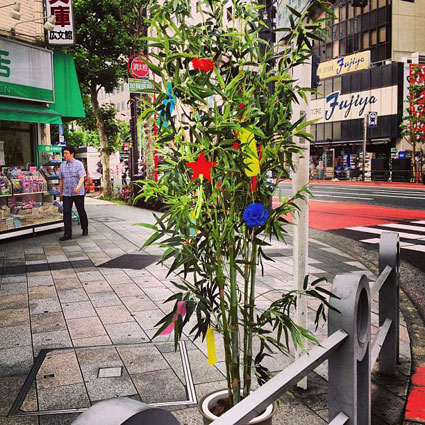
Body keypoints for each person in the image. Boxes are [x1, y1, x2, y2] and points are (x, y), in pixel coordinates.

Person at [59, 146, 88, 241]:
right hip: (67, 193)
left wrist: (78, 187)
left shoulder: (79, 164)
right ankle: (67, 234)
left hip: (78, 193)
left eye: (66, 153)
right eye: (64, 153)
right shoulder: (62, 165)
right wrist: (61, 192)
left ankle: (84, 228)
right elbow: (61, 180)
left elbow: (82, 177)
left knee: (80, 210)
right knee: (66, 212)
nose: (64, 155)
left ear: (72, 154)